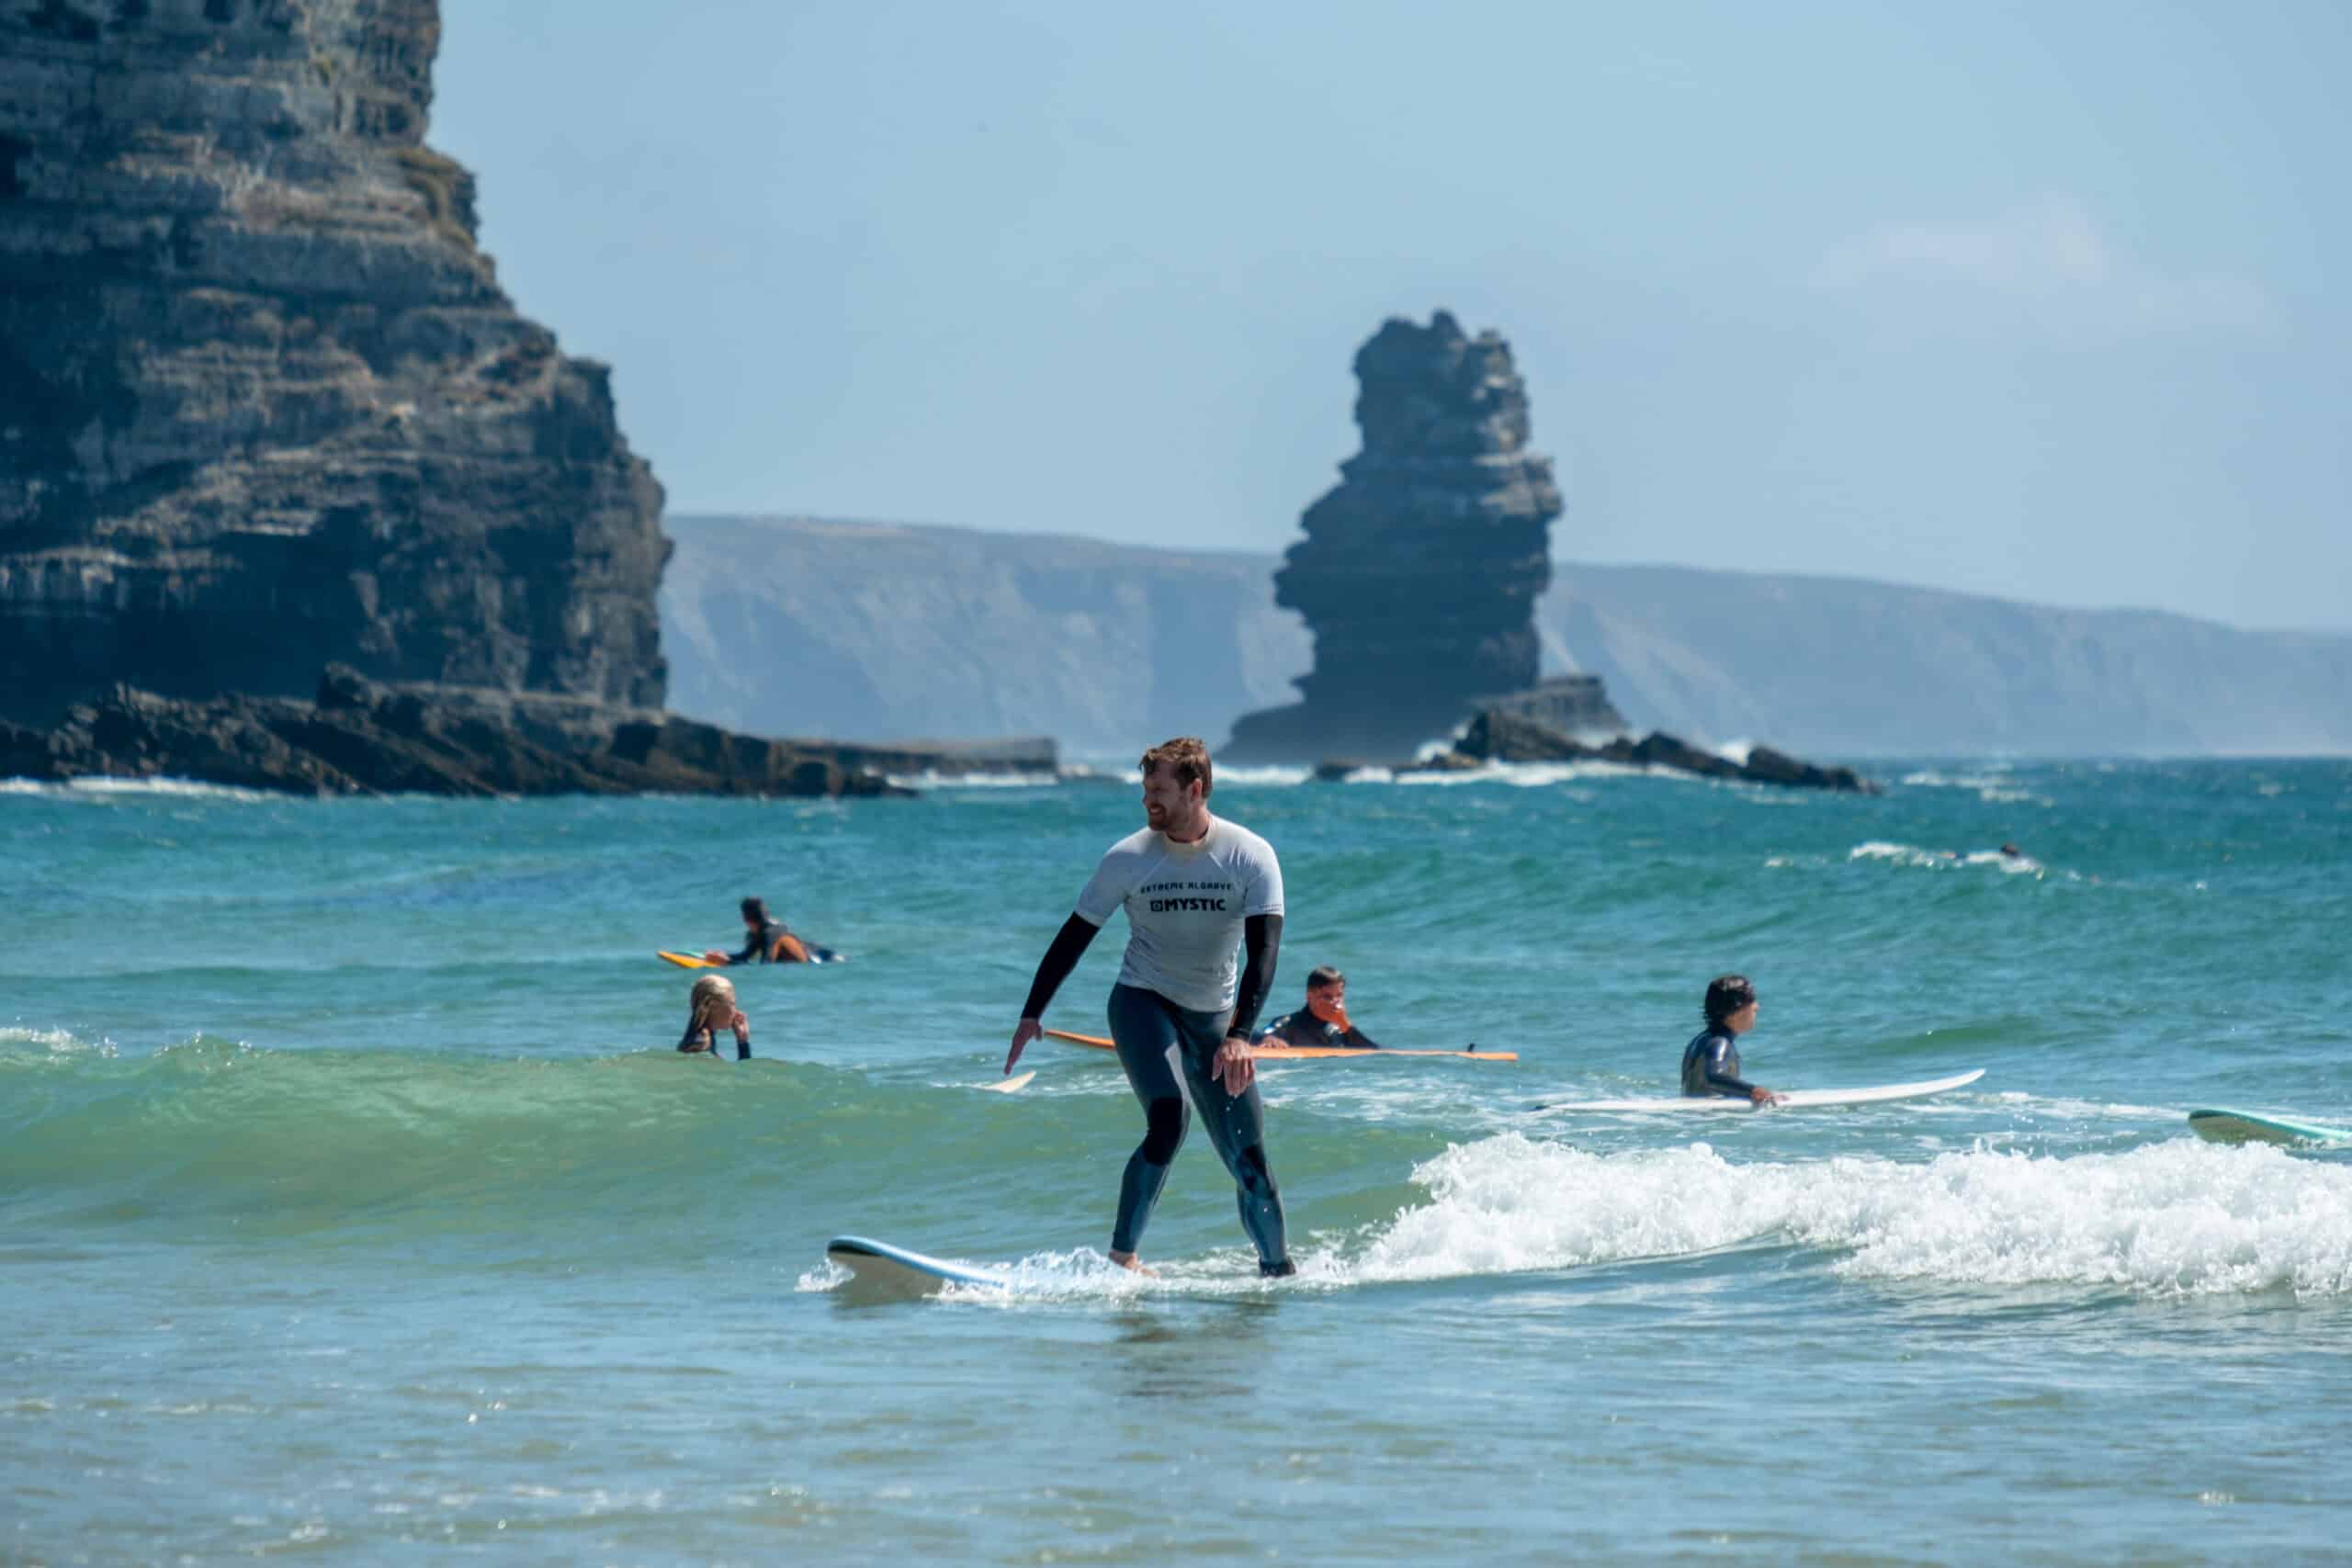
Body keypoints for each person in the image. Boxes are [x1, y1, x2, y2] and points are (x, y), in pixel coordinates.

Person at [1003, 736, 1295, 1278]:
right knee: (1168, 1117)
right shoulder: (1130, 858)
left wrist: (1239, 1035)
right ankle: (1123, 1259)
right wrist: (1031, 1013)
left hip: (1215, 1018)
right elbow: (1073, 938)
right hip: (1143, 1000)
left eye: (1159, 790)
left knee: (1249, 1160)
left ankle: (1277, 1273)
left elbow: (1265, 954)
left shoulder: (1249, 855)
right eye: (1145, 789)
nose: (1147, 800)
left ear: (1196, 789)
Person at [1680, 974, 1778, 1105]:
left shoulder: (1701, 1040)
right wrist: (1754, 1091)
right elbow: (1714, 1077)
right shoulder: (1720, 1043)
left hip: (1694, 1120)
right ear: (1736, 1012)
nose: (1757, 1006)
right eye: (1752, 1001)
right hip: (1709, 1120)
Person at [1255, 965, 1381, 1050]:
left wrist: (1346, 1025)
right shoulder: (1288, 1024)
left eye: (1339, 995)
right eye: (1327, 996)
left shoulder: (1341, 1030)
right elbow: (1249, 1035)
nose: (1334, 1002)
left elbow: (1375, 1054)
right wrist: (1267, 1038)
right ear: (1310, 996)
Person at [703, 896, 829, 965]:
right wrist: (723, 956)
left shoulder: (770, 934)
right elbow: (745, 956)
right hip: (816, 956)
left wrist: (728, 963)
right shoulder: (759, 932)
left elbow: (766, 965)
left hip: (820, 959)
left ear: (744, 918)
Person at [679, 973, 752, 1060]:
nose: (736, 1011)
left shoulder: (698, 1038)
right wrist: (743, 1045)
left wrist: (742, 1039)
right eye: (732, 1004)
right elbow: (742, 1074)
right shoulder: (702, 1044)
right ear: (713, 1006)